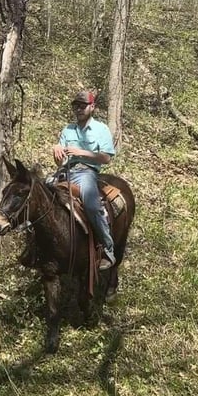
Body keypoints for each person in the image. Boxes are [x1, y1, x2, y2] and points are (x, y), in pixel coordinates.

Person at [52, 90, 117, 270]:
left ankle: (108, 248)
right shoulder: (68, 129)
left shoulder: (101, 129)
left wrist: (82, 153)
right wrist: (57, 150)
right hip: (65, 170)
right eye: (76, 106)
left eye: (83, 105)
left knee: (91, 205)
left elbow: (106, 158)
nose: (79, 109)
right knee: (40, 191)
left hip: (86, 172)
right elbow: (60, 160)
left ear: (92, 107)